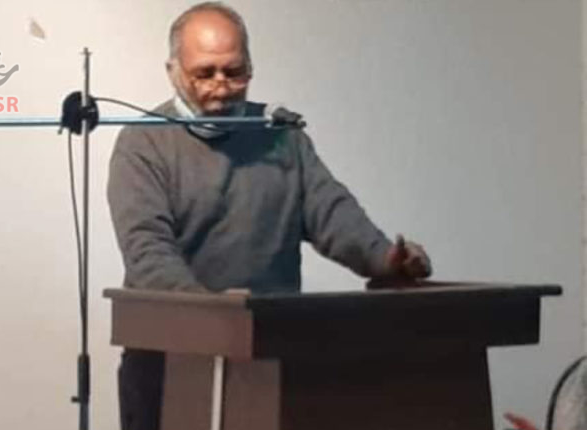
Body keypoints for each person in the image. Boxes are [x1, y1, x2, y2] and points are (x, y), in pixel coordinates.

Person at [106, 3, 432, 430]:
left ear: (251, 68)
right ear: (172, 71)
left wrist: (385, 257)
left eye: (234, 72)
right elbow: (147, 253)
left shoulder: (279, 135)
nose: (221, 87)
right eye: (204, 73)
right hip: (168, 364)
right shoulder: (143, 143)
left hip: (268, 356)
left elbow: (331, 212)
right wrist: (213, 316)